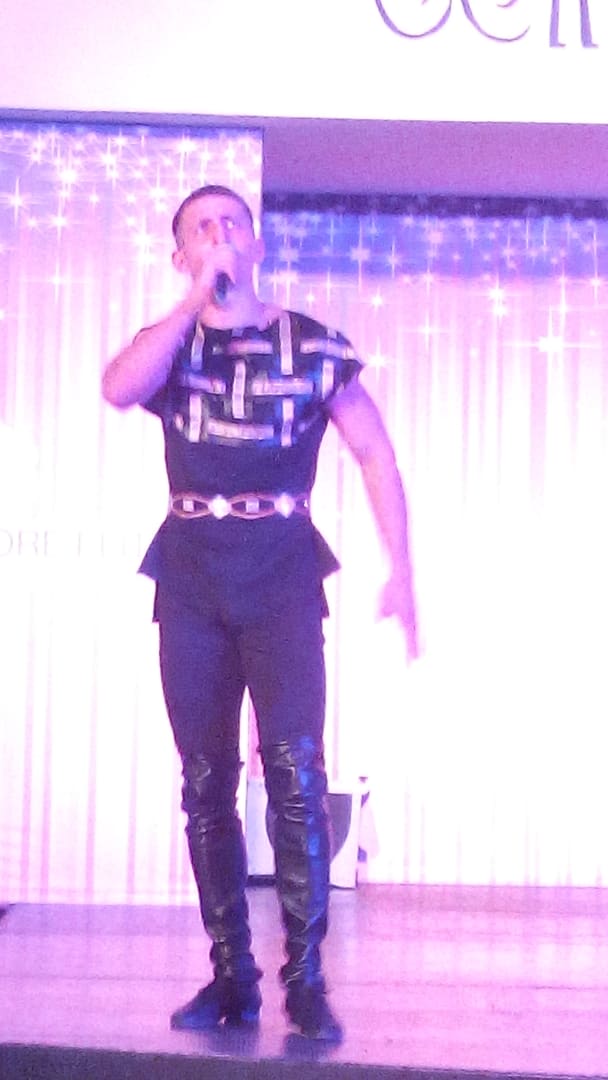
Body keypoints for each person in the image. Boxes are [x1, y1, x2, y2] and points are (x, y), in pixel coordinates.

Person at [102, 184, 418, 1043]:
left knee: (295, 773)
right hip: (192, 575)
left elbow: (373, 451)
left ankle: (305, 979)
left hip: (280, 571)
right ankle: (231, 976)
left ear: (258, 243)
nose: (221, 236)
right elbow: (119, 387)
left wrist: (402, 568)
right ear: (181, 254)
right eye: (202, 229)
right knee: (205, 781)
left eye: (233, 225)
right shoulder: (169, 343)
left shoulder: (311, 344)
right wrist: (190, 304)